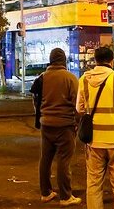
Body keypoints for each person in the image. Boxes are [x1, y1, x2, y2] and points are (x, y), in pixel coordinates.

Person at [76, 47, 114, 209]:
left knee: (94, 184)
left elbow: (79, 109)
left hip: (94, 141)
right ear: (112, 61)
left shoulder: (84, 80)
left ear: (95, 61)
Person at [31, 48, 81, 206]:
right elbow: (78, 105)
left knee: (45, 159)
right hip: (65, 125)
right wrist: (77, 124)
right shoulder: (70, 78)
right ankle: (66, 197)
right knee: (63, 161)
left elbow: (35, 101)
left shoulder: (41, 78)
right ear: (64, 60)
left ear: (51, 60)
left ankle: (45, 193)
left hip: (46, 125)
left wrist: (43, 115)